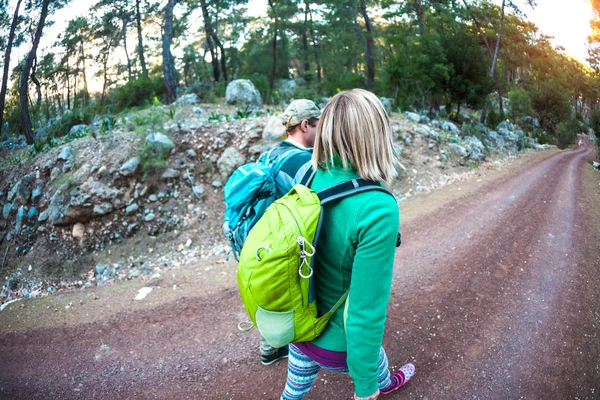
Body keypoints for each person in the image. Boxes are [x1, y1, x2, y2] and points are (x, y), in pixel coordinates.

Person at [280, 89, 415, 400]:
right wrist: (364, 387)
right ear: (377, 134)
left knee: (293, 393)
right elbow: (366, 310)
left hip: (298, 329)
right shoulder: (377, 207)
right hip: (337, 348)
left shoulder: (312, 177)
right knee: (376, 371)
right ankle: (385, 382)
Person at [259, 98, 322, 365]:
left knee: (272, 294)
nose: (321, 131)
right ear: (305, 124)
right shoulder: (305, 163)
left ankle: (269, 347)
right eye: (318, 124)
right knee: (298, 294)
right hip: (291, 244)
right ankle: (308, 349)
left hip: (263, 240)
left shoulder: (268, 154)